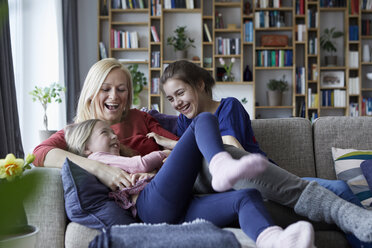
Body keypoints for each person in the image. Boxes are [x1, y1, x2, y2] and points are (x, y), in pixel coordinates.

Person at [146, 60, 372, 245]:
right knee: (332, 205)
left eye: (180, 93)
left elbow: (231, 146)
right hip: (236, 194)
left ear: (200, 84)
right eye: (170, 99)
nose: (176, 103)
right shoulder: (186, 122)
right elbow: (165, 126)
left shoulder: (228, 107)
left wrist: (168, 142)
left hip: (264, 180)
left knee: (340, 189)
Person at [64, 117, 316, 248]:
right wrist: (164, 154)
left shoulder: (111, 159)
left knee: (245, 197)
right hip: (150, 208)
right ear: (86, 147)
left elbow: (140, 174)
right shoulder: (97, 160)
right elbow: (138, 165)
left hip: (172, 210)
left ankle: (273, 241)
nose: (113, 136)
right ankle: (220, 165)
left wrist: (152, 175)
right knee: (201, 122)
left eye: (112, 131)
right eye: (104, 133)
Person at [33, 58, 180, 191]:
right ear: (92, 92)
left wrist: (153, 173)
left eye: (121, 89)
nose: (114, 96)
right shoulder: (78, 131)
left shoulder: (141, 117)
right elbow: (39, 153)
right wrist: (98, 168)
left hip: (162, 185)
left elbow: (180, 148)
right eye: (105, 89)